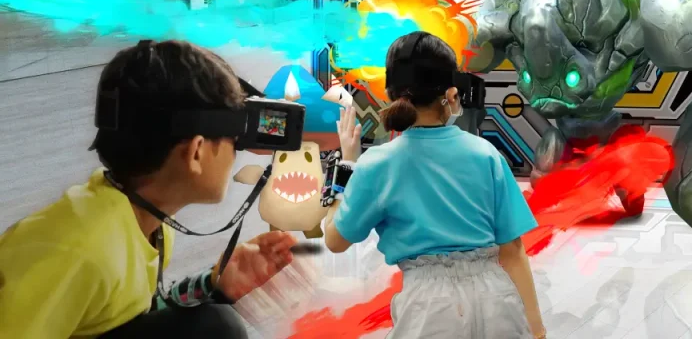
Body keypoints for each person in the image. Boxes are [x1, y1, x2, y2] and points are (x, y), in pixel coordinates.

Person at [0, 40, 296, 338]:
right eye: (233, 140)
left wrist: (212, 286)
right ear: (196, 152)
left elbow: (128, 321)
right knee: (218, 328)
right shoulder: (79, 250)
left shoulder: (145, 222)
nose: (235, 153)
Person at [324, 31, 547, 339]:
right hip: (499, 303)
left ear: (390, 95)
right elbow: (512, 251)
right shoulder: (486, 155)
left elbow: (335, 240)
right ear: (451, 95)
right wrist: (537, 330)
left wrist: (347, 166)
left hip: (429, 311)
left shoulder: (377, 164)